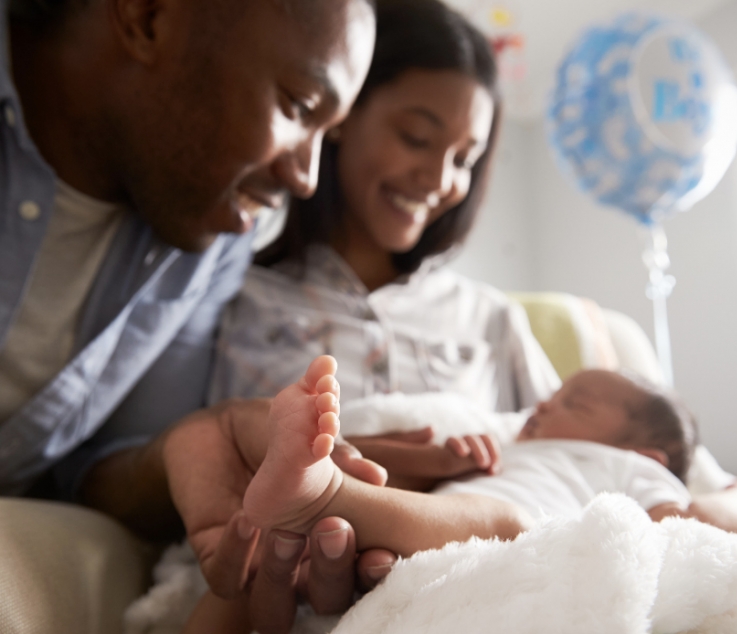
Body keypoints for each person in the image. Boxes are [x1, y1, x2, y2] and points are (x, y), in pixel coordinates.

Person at [0, 0, 385, 634]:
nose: (306, 177)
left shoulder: (215, 240)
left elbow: (95, 467)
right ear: (146, 17)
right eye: (298, 107)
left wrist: (191, 446)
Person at [137, 357, 704, 634]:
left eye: (573, 403)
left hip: (507, 558)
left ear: (645, 455)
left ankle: (320, 491)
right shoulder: (505, 448)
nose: (544, 404)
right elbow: (418, 485)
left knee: (508, 521)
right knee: (260, 545)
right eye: (551, 393)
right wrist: (451, 460)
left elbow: (673, 536)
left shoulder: (631, 471)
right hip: (403, 551)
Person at [209, 0, 561, 415]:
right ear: (341, 114)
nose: (439, 180)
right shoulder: (235, 303)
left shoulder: (492, 321)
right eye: (415, 137)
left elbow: (577, 458)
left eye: (464, 160)